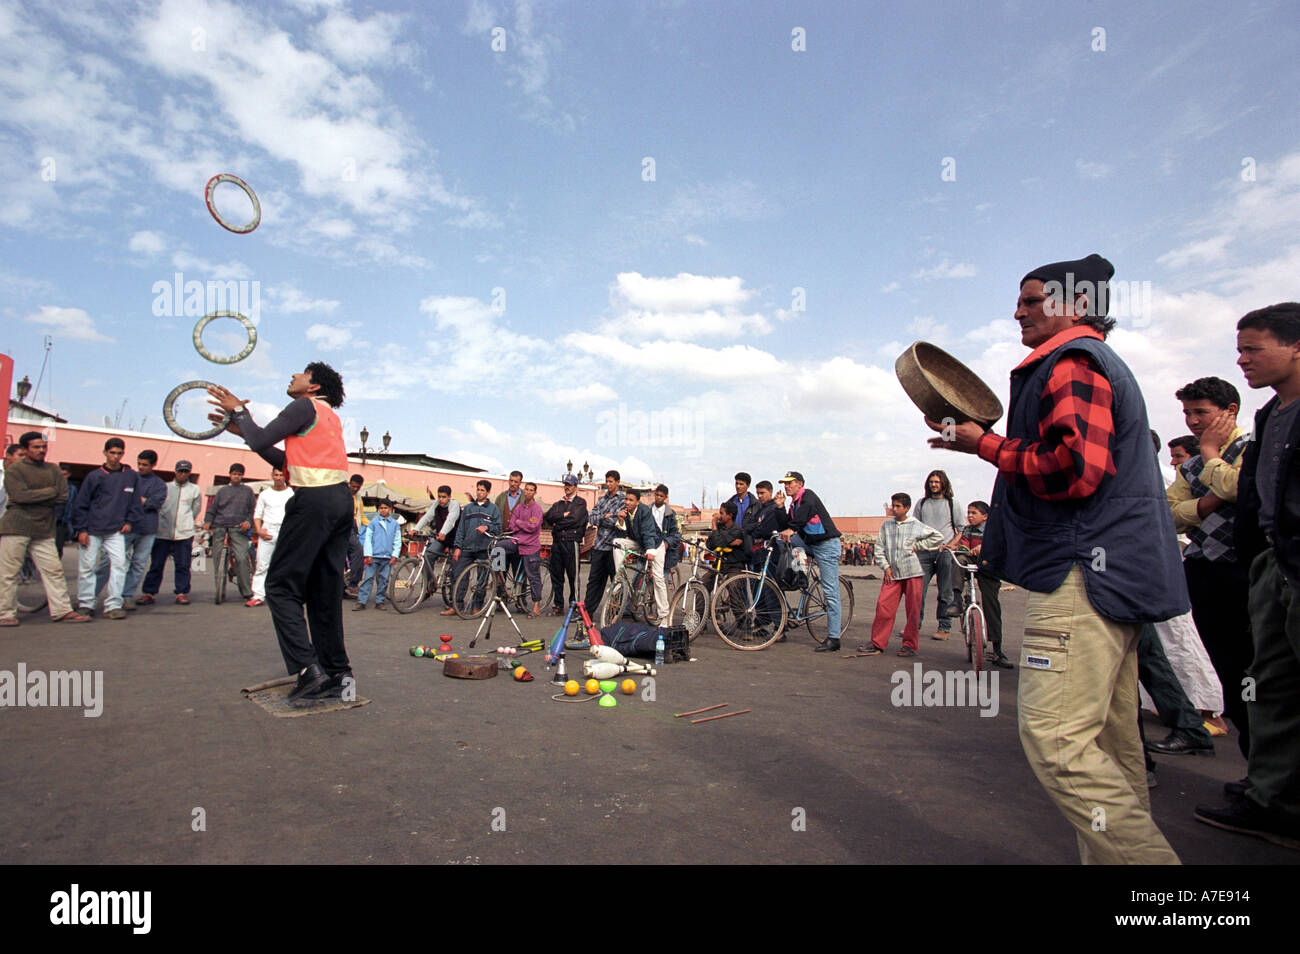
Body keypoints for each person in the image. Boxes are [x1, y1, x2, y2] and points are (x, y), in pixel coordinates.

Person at [926, 252, 1185, 864]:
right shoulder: (1087, 363)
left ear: (1077, 306)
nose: (1017, 311)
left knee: (1058, 744)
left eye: (1031, 301)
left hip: (1080, 579)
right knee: (1115, 753)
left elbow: (1074, 471)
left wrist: (986, 444)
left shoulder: (1072, 364)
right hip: (1110, 578)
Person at [1195, 302, 1300, 849]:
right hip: (1271, 568)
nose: (1242, 360)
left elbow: (1229, 491)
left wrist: (1210, 460)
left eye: (1253, 349)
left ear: (1297, 346)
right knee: (1270, 688)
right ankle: (1273, 801)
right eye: (1239, 349)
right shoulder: (1270, 415)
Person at [206, 364, 354, 703]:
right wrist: (242, 428)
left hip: (314, 503)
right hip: (339, 501)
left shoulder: (303, 406)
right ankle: (339, 675)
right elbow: (280, 458)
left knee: (278, 586)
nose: (292, 376)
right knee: (324, 591)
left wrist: (241, 413)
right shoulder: (328, 417)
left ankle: (308, 670)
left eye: (301, 374)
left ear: (313, 386)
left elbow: (261, 438)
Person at [1165, 376, 1253, 761]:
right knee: (1229, 668)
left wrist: (1212, 453)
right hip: (1205, 571)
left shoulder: (1252, 447)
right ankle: (1257, 775)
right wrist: (1204, 506)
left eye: (1201, 412)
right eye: (1187, 412)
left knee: (1260, 672)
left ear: (1230, 411)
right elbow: (1168, 516)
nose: (1192, 420)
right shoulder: (1192, 466)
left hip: (1249, 570)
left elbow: (1238, 487)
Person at [0, 432, 90, 626]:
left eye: (43, 447)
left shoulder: (53, 470)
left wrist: (32, 496)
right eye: (36, 447)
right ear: (24, 449)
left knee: (54, 570)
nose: (41, 450)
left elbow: (62, 497)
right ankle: (5, 613)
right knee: (9, 572)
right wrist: (50, 492)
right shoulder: (15, 470)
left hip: (44, 527)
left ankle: (62, 610)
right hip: (16, 526)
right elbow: (19, 495)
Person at [860, 493, 943, 657]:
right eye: (894, 505)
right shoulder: (886, 526)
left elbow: (938, 537)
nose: (895, 509)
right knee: (883, 608)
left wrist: (918, 546)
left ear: (906, 508)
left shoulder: (915, 524)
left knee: (913, 611)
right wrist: (885, 567)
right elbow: (879, 548)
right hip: (892, 574)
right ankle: (877, 642)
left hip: (912, 572)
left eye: (898, 506)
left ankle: (910, 645)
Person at [71, 438, 143, 620]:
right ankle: (86, 603)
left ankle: (113, 605)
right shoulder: (95, 476)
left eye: (119, 453)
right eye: (112, 453)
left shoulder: (131, 476)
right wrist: (81, 529)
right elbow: (81, 503)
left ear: (123, 454)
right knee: (87, 567)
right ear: (105, 453)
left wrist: (129, 522)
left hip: (116, 530)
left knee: (120, 565)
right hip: (92, 529)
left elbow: (135, 502)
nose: (115, 457)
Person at [776, 471, 843, 653]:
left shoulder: (808, 497)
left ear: (800, 484)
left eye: (790, 483)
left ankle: (834, 638)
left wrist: (792, 529)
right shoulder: (794, 504)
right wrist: (781, 507)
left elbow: (799, 520)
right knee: (781, 541)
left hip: (827, 546)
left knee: (830, 591)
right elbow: (787, 526)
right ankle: (801, 574)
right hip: (811, 543)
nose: (786, 486)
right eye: (785, 483)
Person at [99, 449, 166, 610]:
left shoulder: (159, 484)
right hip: (126, 527)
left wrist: (139, 500)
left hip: (147, 529)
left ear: (153, 465)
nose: (141, 467)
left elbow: (155, 503)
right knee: (110, 562)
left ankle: (126, 596)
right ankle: (90, 596)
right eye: (139, 464)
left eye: (145, 465)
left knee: (138, 564)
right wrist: (142, 501)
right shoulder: (129, 478)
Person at [951, 501, 1013, 669]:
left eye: (974, 513)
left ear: (985, 516)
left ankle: (998, 650)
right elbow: (963, 544)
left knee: (992, 605)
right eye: (969, 512)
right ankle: (956, 600)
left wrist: (983, 547)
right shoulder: (967, 529)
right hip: (970, 563)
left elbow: (1001, 546)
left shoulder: (994, 530)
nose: (970, 516)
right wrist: (960, 548)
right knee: (958, 561)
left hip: (989, 567)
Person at [140, 460, 203, 605]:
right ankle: (149, 592)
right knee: (156, 564)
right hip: (163, 531)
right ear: (175, 471)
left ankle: (182, 592)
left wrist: (186, 520)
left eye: (186, 471)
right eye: (180, 471)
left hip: (184, 533)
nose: (182, 474)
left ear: (189, 473)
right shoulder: (165, 487)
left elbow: (196, 509)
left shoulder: (194, 489)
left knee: (183, 565)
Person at [914, 470, 964, 641]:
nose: (934, 484)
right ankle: (914, 625)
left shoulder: (952, 504)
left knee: (945, 592)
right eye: (931, 482)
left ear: (943, 483)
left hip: (944, 553)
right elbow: (915, 527)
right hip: (924, 552)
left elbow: (961, 529)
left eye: (937, 482)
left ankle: (944, 627)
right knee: (918, 591)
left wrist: (952, 544)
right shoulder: (921, 504)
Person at [200, 463, 256, 603]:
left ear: (242, 476)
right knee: (218, 559)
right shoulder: (222, 491)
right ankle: (220, 590)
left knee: (241, 558)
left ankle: (246, 592)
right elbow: (212, 510)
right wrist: (207, 521)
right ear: (229, 475)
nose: (236, 476)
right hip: (220, 528)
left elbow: (252, 511)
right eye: (234, 473)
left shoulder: (248, 491)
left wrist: (248, 522)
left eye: (239, 474)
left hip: (238, 529)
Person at [445, 480, 501, 616]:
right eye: (478, 489)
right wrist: (458, 547)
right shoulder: (469, 508)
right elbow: (461, 529)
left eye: (482, 490)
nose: (479, 492)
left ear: (488, 492)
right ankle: (456, 606)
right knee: (458, 576)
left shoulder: (493, 509)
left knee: (481, 579)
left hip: (484, 548)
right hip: (467, 547)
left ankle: (477, 606)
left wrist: (488, 527)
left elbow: (499, 528)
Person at [614, 487, 667, 625]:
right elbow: (624, 534)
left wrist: (650, 550)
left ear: (638, 502)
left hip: (655, 544)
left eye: (631, 500)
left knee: (658, 577)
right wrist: (620, 521)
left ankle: (664, 615)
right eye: (626, 499)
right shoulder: (625, 512)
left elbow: (649, 532)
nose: (627, 502)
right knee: (617, 543)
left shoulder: (644, 511)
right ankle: (619, 575)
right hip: (639, 542)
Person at [248, 467, 293, 607]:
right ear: (272, 476)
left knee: (286, 564)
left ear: (285, 476)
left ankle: (285, 594)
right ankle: (258, 595)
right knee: (262, 564)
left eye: (281, 475)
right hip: (268, 530)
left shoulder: (292, 493)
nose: (278, 478)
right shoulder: (265, 494)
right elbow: (257, 514)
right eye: (276, 475)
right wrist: (259, 530)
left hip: (286, 531)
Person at [544, 475, 587, 615]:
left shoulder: (580, 503)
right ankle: (558, 605)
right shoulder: (558, 503)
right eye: (565, 484)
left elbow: (575, 519)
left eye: (570, 484)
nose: (567, 487)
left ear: (576, 487)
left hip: (571, 542)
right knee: (556, 575)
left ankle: (575, 605)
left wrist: (558, 521)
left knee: (573, 576)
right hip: (557, 542)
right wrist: (563, 515)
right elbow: (548, 518)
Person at [584, 470, 624, 611]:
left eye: (611, 481)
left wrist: (607, 518)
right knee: (594, 581)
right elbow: (592, 517)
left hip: (615, 547)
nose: (608, 484)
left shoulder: (623, 500)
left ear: (618, 482)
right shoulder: (602, 499)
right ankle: (587, 612)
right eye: (606, 481)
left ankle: (614, 612)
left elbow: (617, 522)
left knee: (616, 582)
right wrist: (604, 517)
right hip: (600, 545)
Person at [355, 499, 400, 611]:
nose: (383, 510)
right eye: (381, 508)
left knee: (384, 580)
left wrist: (394, 556)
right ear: (378, 509)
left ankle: (380, 601)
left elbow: (397, 541)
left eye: (385, 508)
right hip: (374, 556)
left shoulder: (394, 524)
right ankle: (361, 601)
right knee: (368, 578)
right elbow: (368, 540)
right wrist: (368, 555)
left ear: (390, 509)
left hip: (387, 557)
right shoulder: (373, 523)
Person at [510, 481, 545, 616]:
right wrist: (522, 522)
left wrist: (519, 522)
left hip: (531, 545)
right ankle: (498, 580)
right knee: (498, 548)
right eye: (527, 489)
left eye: (531, 490)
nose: (528, 492)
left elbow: (533, 527)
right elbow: (512, 525)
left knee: (533, 575)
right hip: (517, 541)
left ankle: (536, 605)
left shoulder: (536, 509)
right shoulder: (519, 507)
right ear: (523, 491)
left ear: (535, 493)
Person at [412, 484, 460, 571]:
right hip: (442, 538)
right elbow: (427, 516)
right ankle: (429, 583)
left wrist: (443, 532)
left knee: (455, 563)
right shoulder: (436, 504)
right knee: (428, 555)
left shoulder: (454, 505)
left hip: (456, 539)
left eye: (444, 497)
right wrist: (416, 529)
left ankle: (453, 583)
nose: (441, 499)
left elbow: (450, 521)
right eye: (439, 496)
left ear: (449, 497)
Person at [651, 484, 683, 587]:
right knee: (637, 578)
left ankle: (663, 602)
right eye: (657, 495)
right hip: (650, 545)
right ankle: (628, 603)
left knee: (661, 581)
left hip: (664, 550)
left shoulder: (671, 514)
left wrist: (666, 543)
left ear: (665, 497)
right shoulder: (647, 510)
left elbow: (676, 534)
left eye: (661, 496)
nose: (658, 498)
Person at [345, 474, 367, 596]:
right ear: (349, 483)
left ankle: (344, 588)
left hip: (353, 526)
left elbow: (362, 516)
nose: (354, 489)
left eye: (357, 487)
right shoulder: (343, 494)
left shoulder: (358, 498)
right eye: (353, 486)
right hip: (343, 526)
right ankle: (353, 583)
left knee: (347, 558)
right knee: (358, 551)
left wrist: (374, 525)